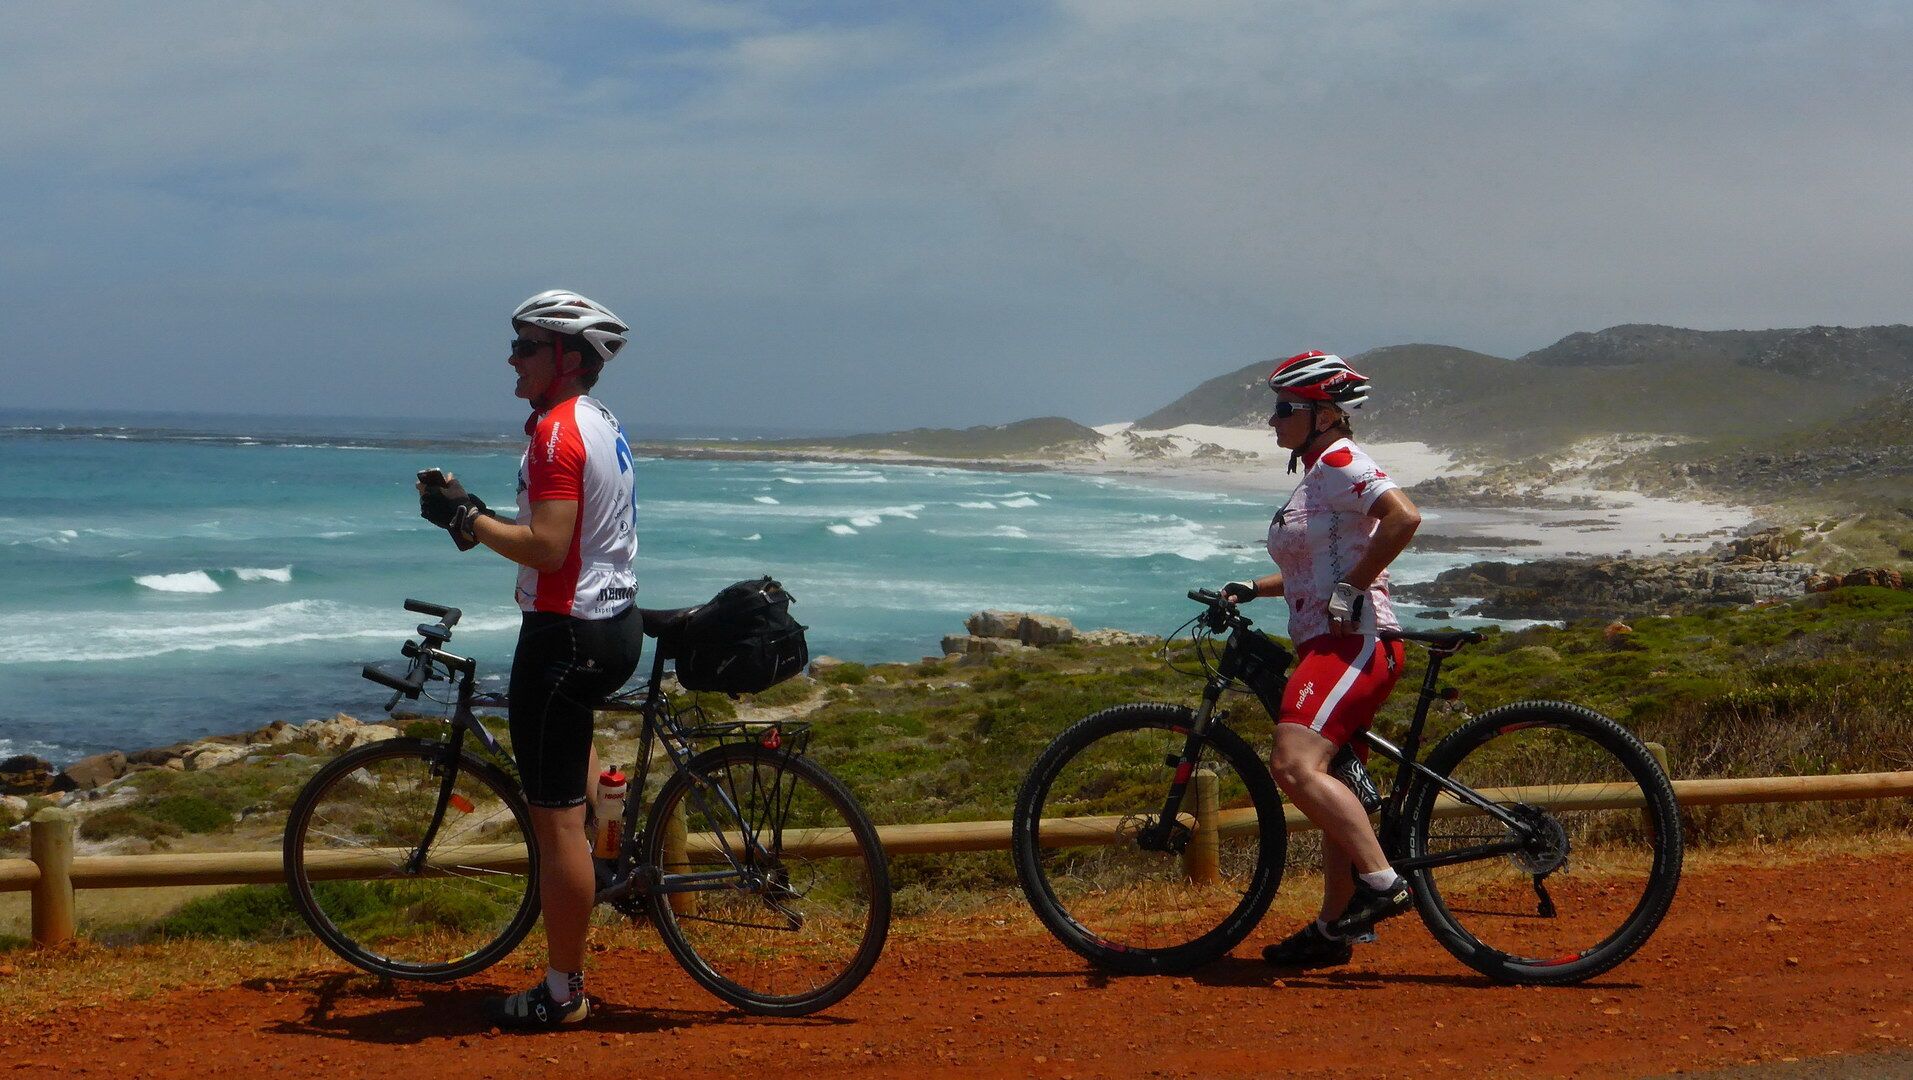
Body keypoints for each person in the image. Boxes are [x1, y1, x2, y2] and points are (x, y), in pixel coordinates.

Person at [417, 289, 642, 1028]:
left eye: (525, 346)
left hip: (564, 634)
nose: (511, 358)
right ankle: (613, 849)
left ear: (566, 358)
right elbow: (564, 533)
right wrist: (475, 515)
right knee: (574, 769)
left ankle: (563, 992)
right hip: (612, 623)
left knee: (555, 827)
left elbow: (547, 547)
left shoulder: (555, 433)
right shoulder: (599, 421)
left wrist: (466, 515)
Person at [1218, 350, 1423, 969]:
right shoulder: (1317, 475)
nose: (1273, 420)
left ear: (1324, 414)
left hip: (1354, 643)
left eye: (1285, 409)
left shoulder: (1338, 461)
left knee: (1292, 763)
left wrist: (1352, 588)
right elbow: (1315, 570)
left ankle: (1383, 884)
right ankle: (1334, 930)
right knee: (1333, 784)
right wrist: (1254, 587)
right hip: (1333, 642)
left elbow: (1404, 517)